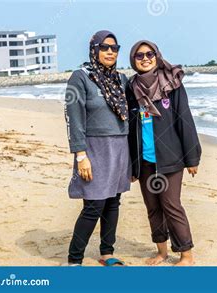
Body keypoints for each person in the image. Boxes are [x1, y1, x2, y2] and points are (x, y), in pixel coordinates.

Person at [126, 40, 202, 266]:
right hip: (145, 160)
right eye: (139, 56)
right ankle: (161, 252)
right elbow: (130, 129)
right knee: (153, 207)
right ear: (133, 60)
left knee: (171, 205)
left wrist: (192, 157)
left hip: (170, 159)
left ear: (157, 55)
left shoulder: (172, 83)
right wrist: (133, 164)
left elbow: (184, 120)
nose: (145, 58)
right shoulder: (132, 87)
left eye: (149, 54)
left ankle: (186, 254)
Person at [64, 30, 130, 266]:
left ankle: (107, 253)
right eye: (104, 47)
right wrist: (81, 155)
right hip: (94, 149)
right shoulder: (80, 77)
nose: (110, 52)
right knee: (94, 205)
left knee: (113, 201)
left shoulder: (121, 80)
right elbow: (74, 117)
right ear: (94, 50)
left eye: (114, 48)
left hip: (120, 148)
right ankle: (74, 260)